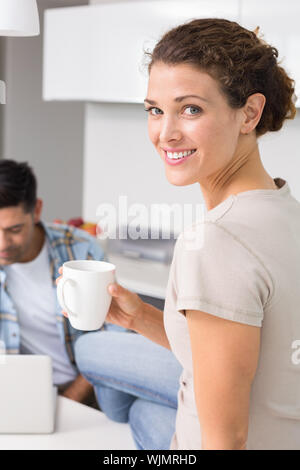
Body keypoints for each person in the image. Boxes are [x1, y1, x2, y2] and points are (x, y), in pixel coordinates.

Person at [63, 18, 300, 450]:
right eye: (156, 109)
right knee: (141, 409)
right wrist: (139, 318)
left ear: (249, 112)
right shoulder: (285, 209)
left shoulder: (217, 243)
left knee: (107, 376)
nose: (165, 133)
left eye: (190, 109)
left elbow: (227, 439)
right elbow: (241, 358)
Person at [0, 159, 105, 406]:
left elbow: (111, 341)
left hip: (85, 390)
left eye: (14, 229)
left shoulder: (80, 250)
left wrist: (69, 401)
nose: (2, 244)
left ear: (36, 211)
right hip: (18, 394)